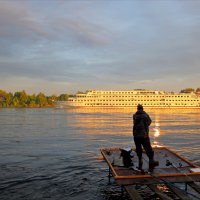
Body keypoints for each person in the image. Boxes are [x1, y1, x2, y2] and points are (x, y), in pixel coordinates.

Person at [133, 104, 159, 171]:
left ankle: (140, 160)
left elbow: (134, 123)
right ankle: (151, 161)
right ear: (142, 108)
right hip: (144, 135)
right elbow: (149, 122)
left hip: (136, 135)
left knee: (138, 148)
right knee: (148, 148)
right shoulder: (145, 115)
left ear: (137, 109)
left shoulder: (134, 115)